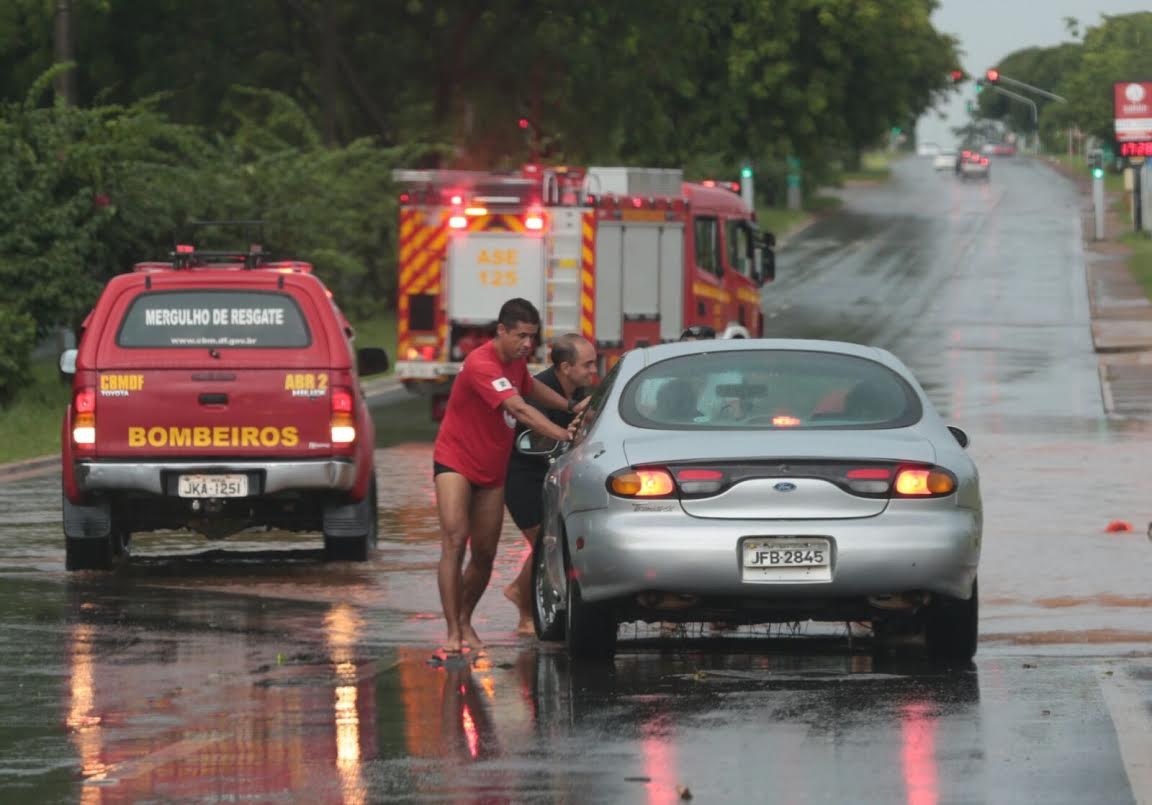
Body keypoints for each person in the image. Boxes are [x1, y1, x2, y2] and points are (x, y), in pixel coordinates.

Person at [432, 298, 588, 657]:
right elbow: (518, 407)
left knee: (485, 553)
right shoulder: (480, 363)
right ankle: (453, 631)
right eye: (521, 336)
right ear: (500, 331)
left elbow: (530, 389)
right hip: (455, 461)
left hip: (492, 468)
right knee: (455, 540)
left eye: (532, 337)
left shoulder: (515, 363)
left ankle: (466, 618)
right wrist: (562, 433)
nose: (527, 345)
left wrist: (569, 406)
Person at [503, 333, 598, 634]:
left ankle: (530, 598)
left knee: (552, 543)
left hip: (552, 479)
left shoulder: (578, 391)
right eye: (588, 365)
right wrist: (566, 432)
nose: (592, 372)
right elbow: (539, 436)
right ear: (566, 367)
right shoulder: (538, 392)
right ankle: (524, 604)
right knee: (546, 545)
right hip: (524, 479)